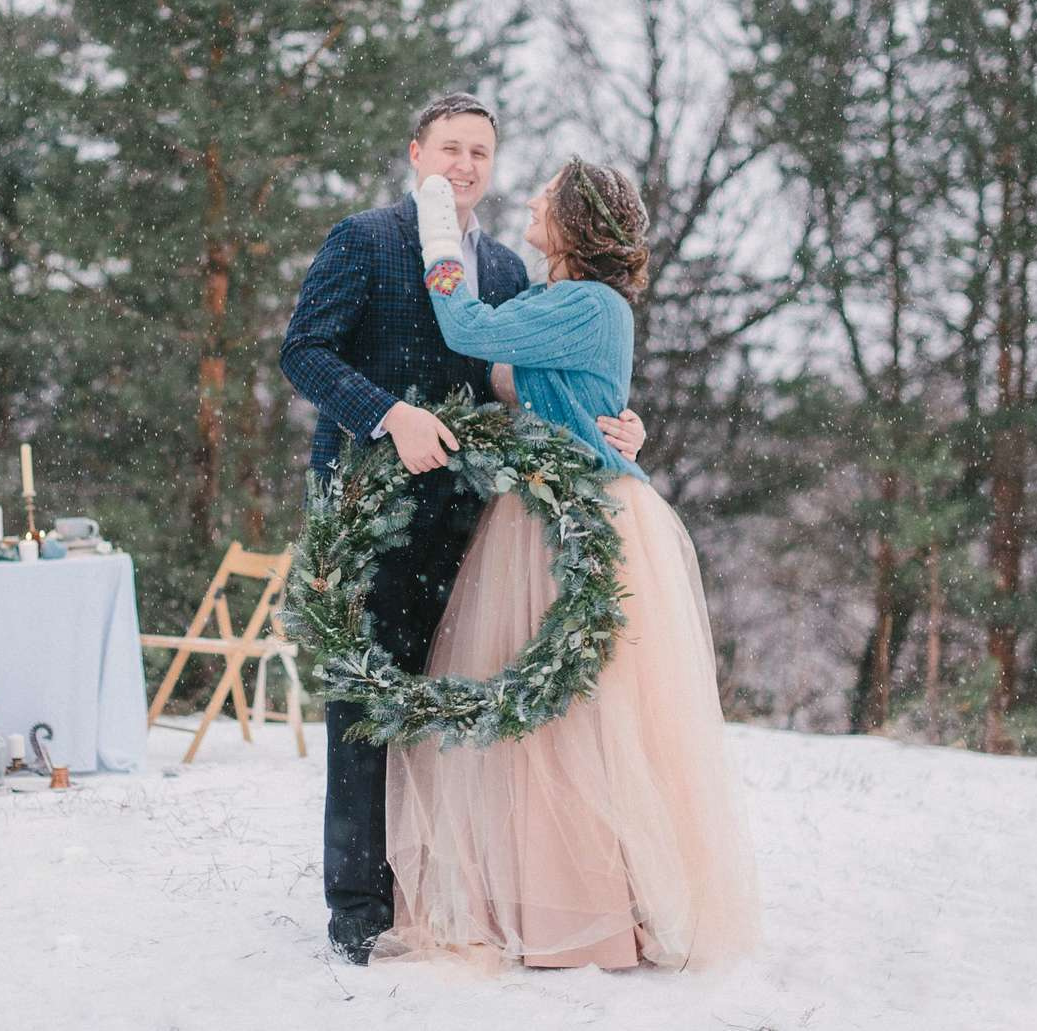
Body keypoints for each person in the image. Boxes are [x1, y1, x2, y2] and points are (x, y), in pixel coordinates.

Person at [279, 93, 648, 965]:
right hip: (367, 510)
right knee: (366, 705)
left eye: (480, 151)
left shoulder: (509, 269)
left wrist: (619, 426)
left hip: (475, 523)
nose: (465, 164)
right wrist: (388, 415)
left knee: (452, 707)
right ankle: (360, 907)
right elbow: (304, 351)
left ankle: (439, 887)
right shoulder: (364, 239)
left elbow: (538, 385)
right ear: (417, 154)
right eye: (450, 147)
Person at [371, 161, 762, 972]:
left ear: (575, 222)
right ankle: (544, 897)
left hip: (577, 520)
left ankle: (585, 913)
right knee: (546, 720)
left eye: (547, 195)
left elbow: (467, 329)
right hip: (543, 509)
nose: (532, 199)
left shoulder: (586, 303)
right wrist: (612, 414)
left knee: (579, 720)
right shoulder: (564, 301)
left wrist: (437, 229)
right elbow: (534, 379)